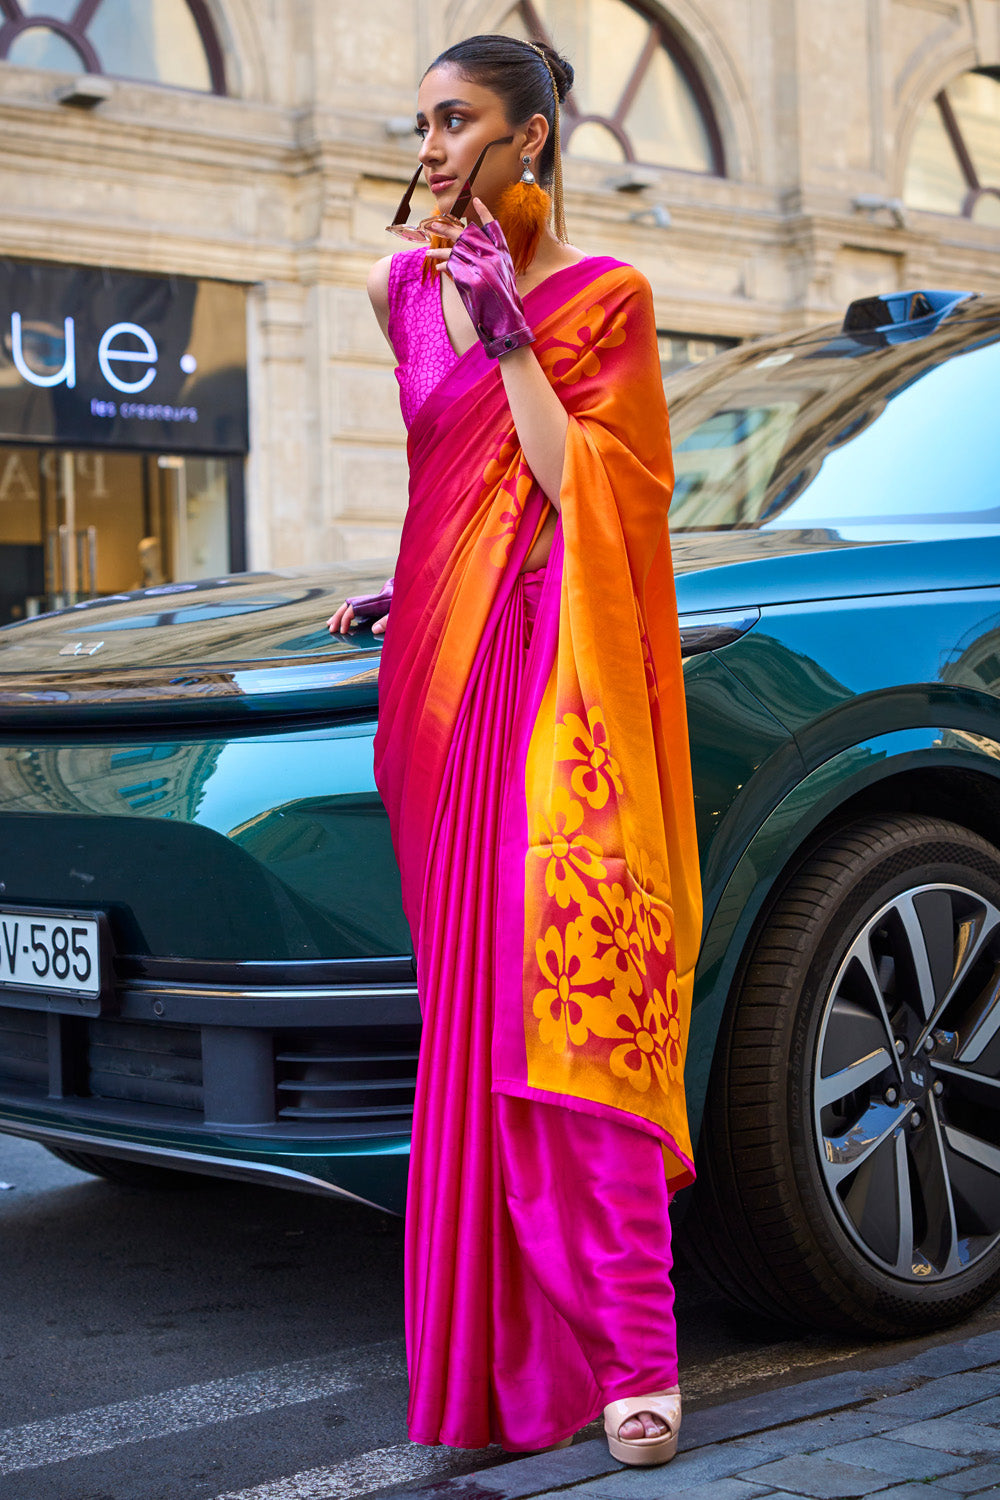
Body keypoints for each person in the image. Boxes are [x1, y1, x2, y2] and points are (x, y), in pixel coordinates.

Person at [328, 33, 702, 1467]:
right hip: (442, 673)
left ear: (532, 136)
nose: (429, 148)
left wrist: (507, 329)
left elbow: (593, 485)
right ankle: (506, 1367)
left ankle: (636, 1351)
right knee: (477, 1015)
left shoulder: (609, 296)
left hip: (564, 679)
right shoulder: (393, 286)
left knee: (575, 988)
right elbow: (453, 481)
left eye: (457, 120)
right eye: (419, 122)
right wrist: (408, 574)